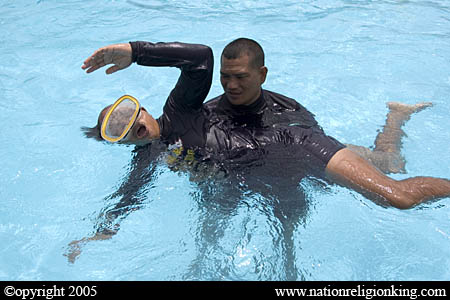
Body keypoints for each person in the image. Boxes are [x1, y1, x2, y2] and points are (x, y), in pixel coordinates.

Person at [81, 39, 450, 209]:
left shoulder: (179, 110)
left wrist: (135, 52)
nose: (133, 127)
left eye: (130, 114)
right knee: (390, 164)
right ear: (120, 142)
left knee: (396, 193)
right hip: (271, 171)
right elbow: (127, 198)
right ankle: (397, 115)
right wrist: (103, 232)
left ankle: (397, 116)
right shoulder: (148, 158)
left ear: (143, 108)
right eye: (119, 130)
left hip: (297, 143)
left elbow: (199, 58)